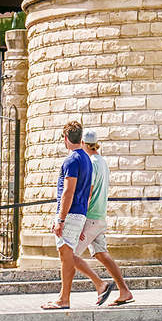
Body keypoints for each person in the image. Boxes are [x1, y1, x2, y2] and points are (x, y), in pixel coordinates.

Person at [41, 121, 121, 310]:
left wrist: (60, 219)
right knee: (68, 254)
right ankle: (90, 287)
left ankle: (65, 298)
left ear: (66, 138)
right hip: (80, 213)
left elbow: (68, 191)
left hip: (70, 214)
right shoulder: (86, 159)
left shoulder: (71, 160)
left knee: (66, 255)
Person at [79, 129, 135, 304]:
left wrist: (80, 220)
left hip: (90, 216)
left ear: (83, 144)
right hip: (100, 215)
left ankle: (99, 285)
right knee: (102, 253)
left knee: (69, 254)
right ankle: (124, 291)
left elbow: (89, 191)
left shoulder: (92, 163)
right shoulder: (102, 162)